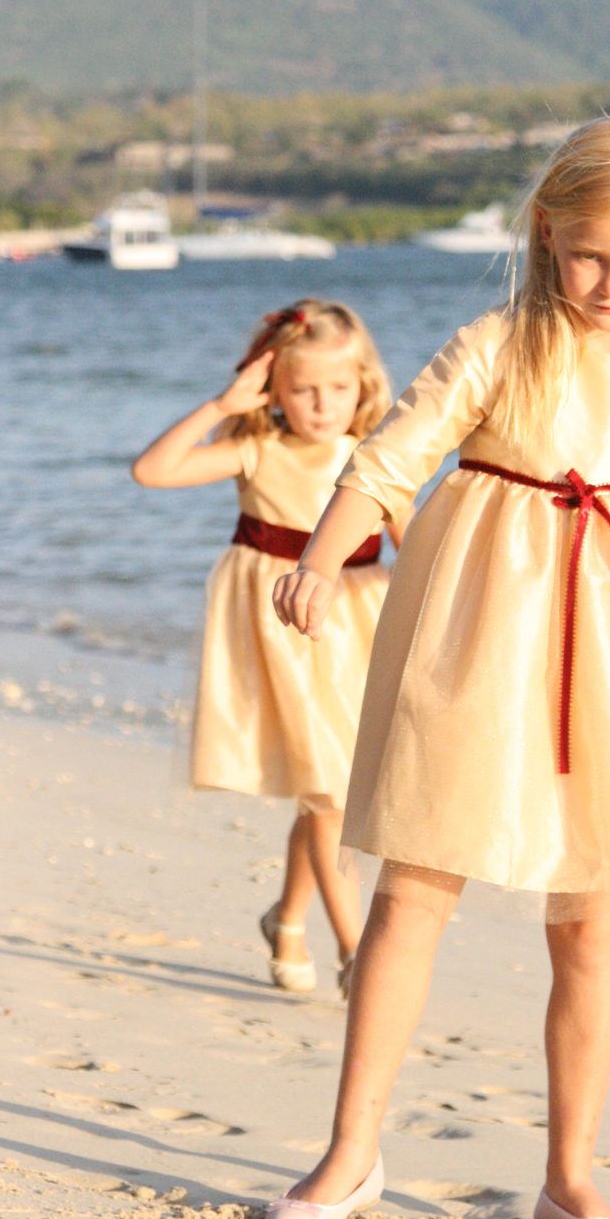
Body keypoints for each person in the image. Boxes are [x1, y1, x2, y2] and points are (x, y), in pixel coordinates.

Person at [265, 116, 610, 1219]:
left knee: (592, 921)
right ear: (549, 233)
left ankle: (570, 1176)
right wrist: (321, 555)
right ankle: (350, 1153)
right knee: (414, 891)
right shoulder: (498, 345)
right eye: (593, 254)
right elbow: (388, 462)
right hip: (482, 641)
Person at [132, 299, 408, 995]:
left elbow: (418, 548)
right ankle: (353, 955)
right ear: (273, 389)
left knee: (328, 793)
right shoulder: (257, 448)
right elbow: (152, 472)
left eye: (338, 389)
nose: (322, 405)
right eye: (304, 390)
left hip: (356, 628)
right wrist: (219, 405)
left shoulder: (375, 458)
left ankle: (285, 922)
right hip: (281, 632)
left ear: (364, 384)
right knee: (326, 796)